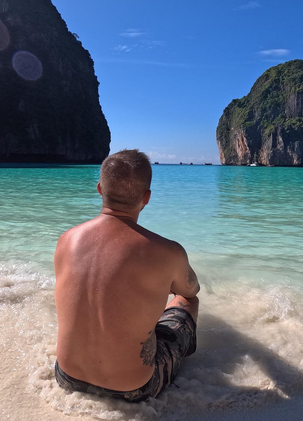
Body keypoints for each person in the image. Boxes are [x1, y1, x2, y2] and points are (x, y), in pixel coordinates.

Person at [54, 149, 200, 402]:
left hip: (67, 376)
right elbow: (191, 290)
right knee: (185, 302)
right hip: (135, 388)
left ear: (100, 189)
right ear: (147, 197)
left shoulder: (67, 240)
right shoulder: (167, 251)